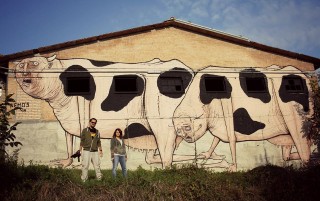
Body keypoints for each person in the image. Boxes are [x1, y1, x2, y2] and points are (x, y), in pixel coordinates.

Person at [79, 118, 103, 182]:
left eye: (95, 123)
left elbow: (98, 141)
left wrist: (100, 150)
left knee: (97, 166)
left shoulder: (97, 131)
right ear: (89, 122)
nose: (93, 123)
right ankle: (84, 179)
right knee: (85, 166)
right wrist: (80, 150)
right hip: (86, 151)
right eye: (92, 122)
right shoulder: (85, 130)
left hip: (95, 151)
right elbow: (82, 141)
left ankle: (99, 179)